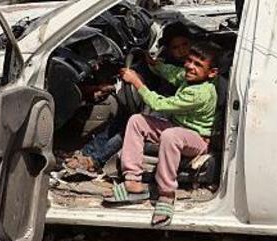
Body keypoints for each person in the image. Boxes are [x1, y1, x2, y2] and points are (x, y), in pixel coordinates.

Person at [107, 41, 221, 227]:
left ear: (212, 73)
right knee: (137, 121)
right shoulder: (189, 77)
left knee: (171, 135)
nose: (190, 67)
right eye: (189, 61)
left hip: (197, 139)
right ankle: (133, 181)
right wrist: (155, 64)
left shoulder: (201, 93)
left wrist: (137, 82)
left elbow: (159, 104)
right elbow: (171, 72)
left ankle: (167, 194)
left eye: (198, 65)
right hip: (177, 128)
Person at [64, 28, 194, 173]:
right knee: (122, 118)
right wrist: (151, 65)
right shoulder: (176, 67)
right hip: (165, 108)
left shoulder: (192, 75)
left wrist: (138, 83)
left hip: (176, 117)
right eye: (176, 48)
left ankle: (95, 160)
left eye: (185, 45)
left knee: (132, 126)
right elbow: (166, 71)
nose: (182, 51)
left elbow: (161, 103)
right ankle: (87, 152)